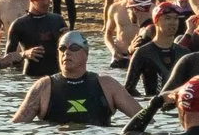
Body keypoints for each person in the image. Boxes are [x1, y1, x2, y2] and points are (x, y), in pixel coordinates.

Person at [12, 30, 140, 125]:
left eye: (73, 48)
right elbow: (17, 127)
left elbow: (144, 119)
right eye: (62, 48)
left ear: (86, 54)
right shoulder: (43, 87)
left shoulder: (108, 85)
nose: (66, 52)